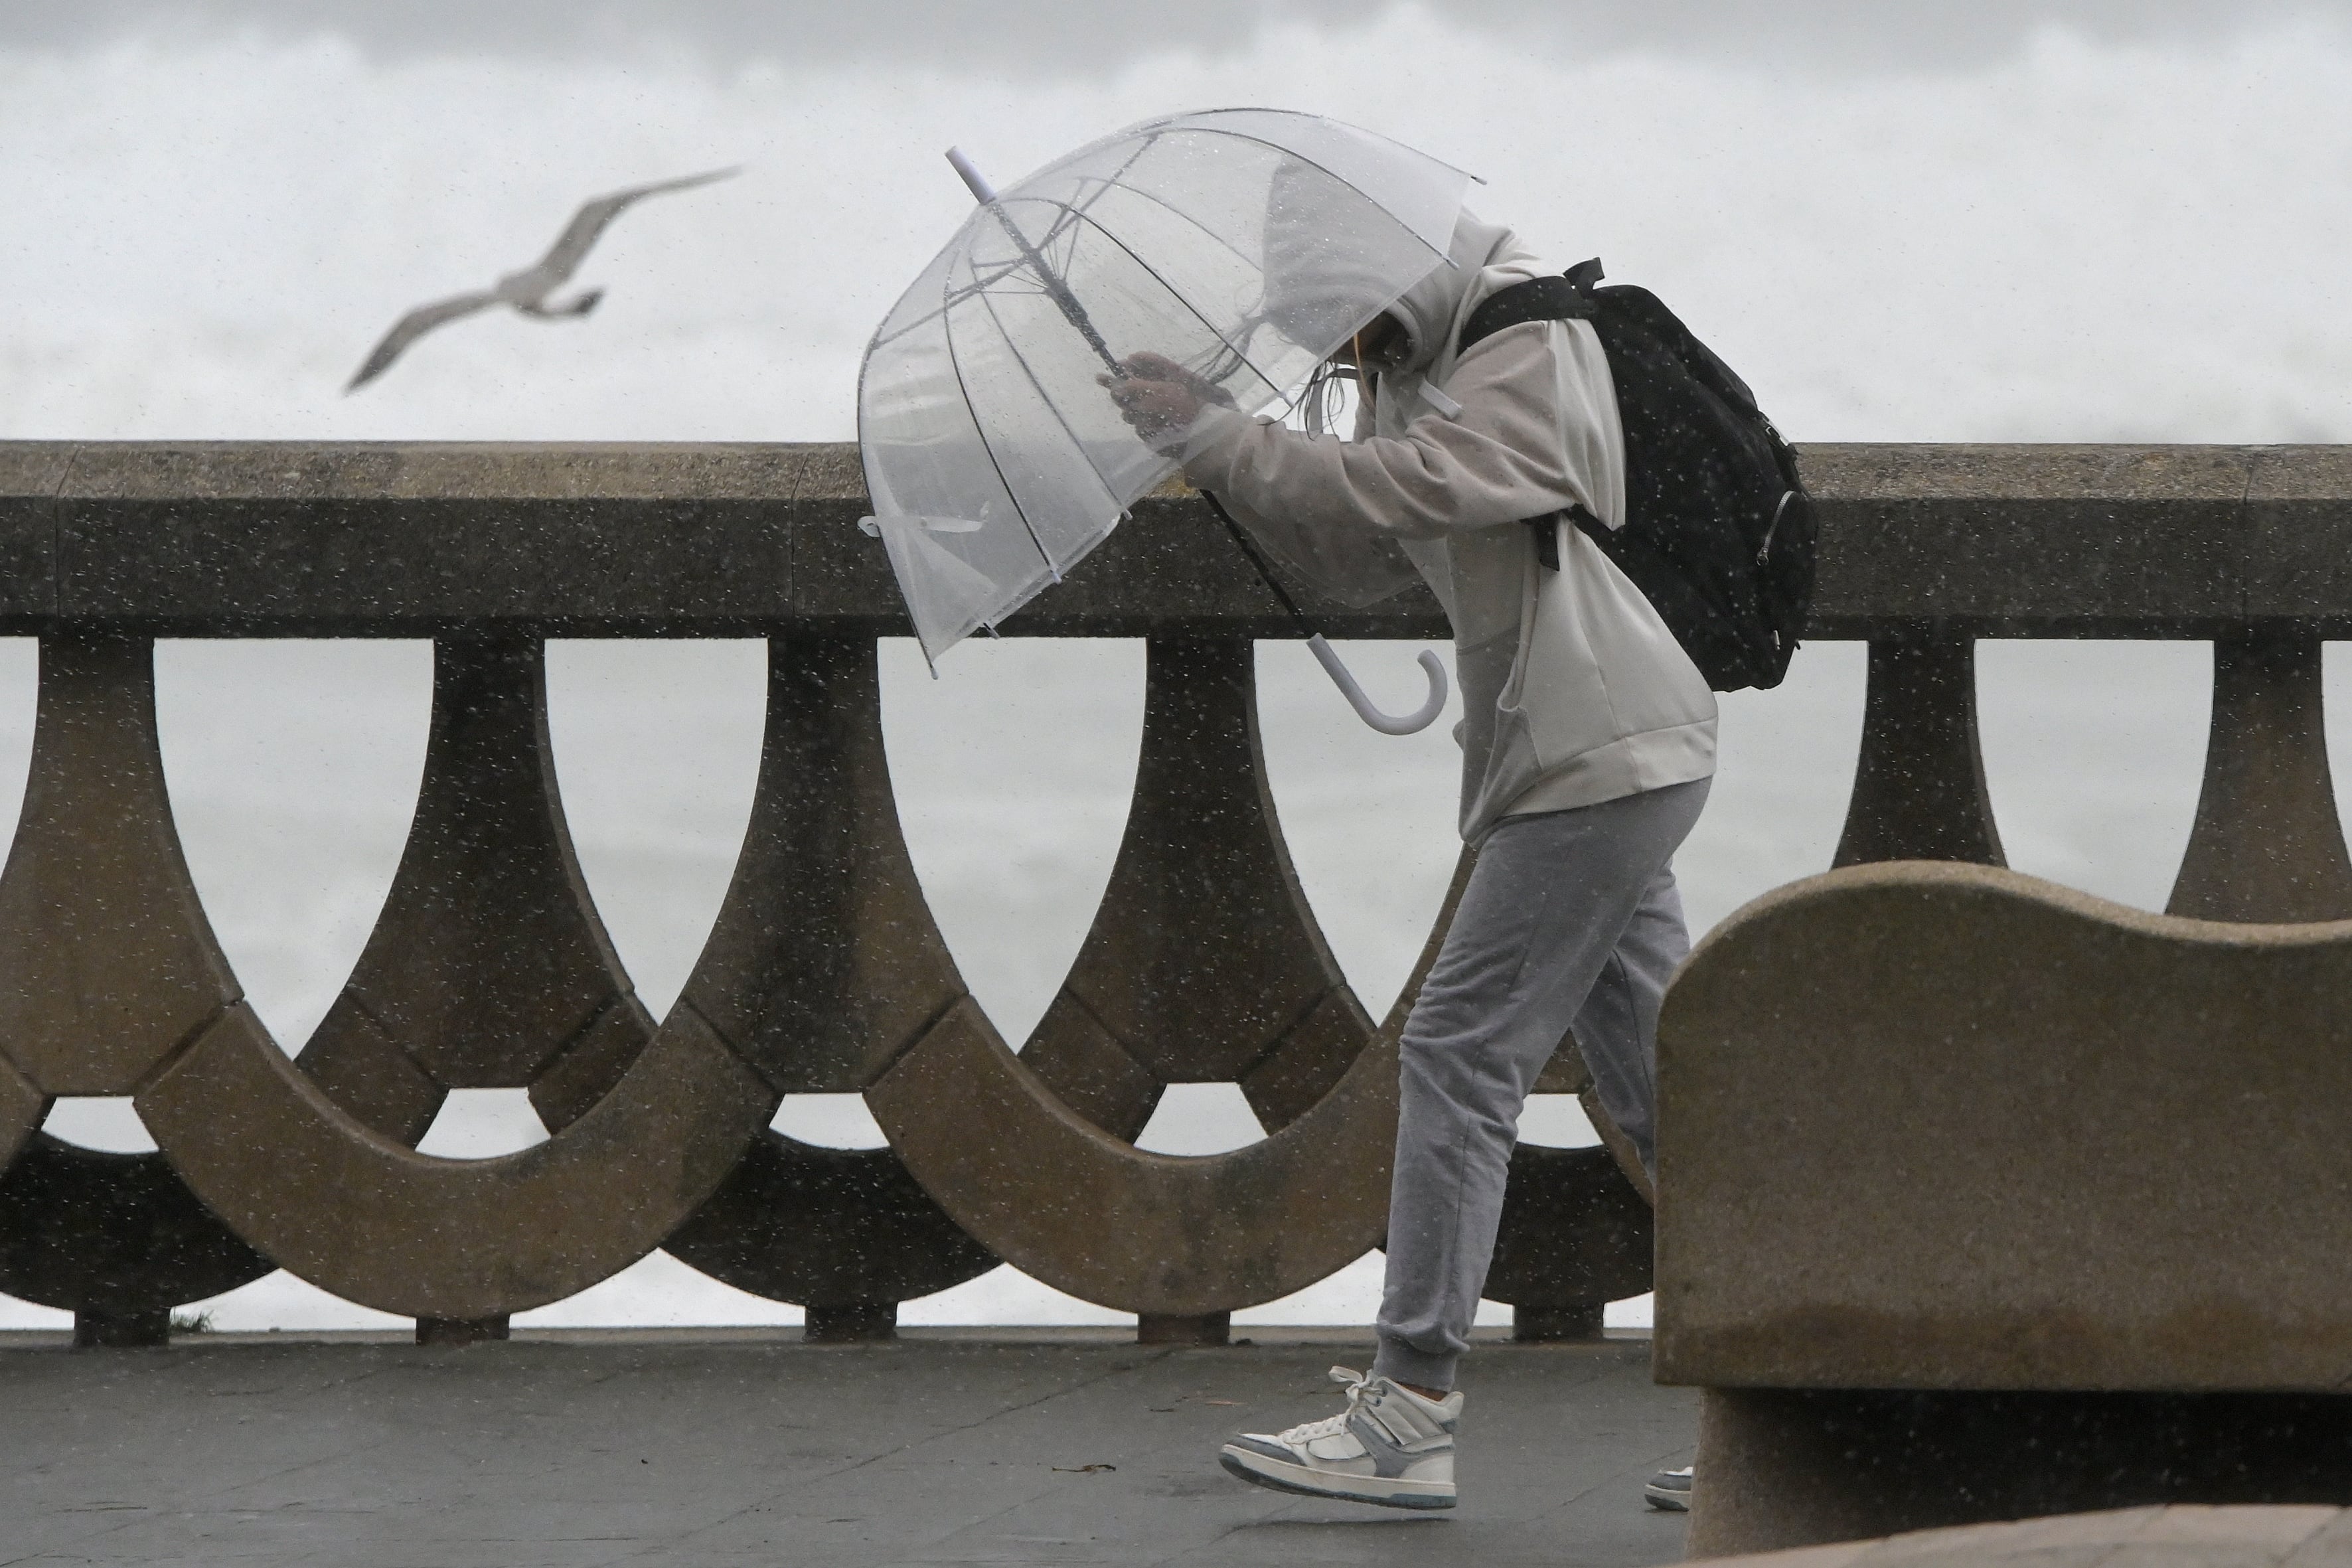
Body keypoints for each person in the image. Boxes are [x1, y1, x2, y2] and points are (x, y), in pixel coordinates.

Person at [1103, 208, 1715, 1514]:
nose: (1330, 346)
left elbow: (1423, 487)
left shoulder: (1528, 336)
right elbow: (1351, 536)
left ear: (1377, 276)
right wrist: (1208, 430)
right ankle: (1803, 1388)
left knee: (1457, 1048)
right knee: (1674, 1093)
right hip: (1579, 749)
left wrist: (1227, 439)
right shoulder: (1408, 364)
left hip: (1598, 748)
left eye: (1333, 316)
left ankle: (1409, 1402)